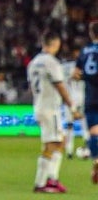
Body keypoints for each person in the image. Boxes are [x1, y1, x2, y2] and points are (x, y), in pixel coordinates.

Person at [27, 30, 79, 193]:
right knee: (52, 144)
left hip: (39, 105)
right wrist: (72, 106)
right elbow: (60, 85)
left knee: (59, 141)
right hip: (50, 108)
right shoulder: (51, 62)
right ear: (55, 44)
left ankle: (51, 179)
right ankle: (42, 182)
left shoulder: (33, 62)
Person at [74, 20, 98, 183]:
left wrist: (87, 78)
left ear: (91, 33)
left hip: (90, 97)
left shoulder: (85, 51)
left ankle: (96, 160)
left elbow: (75, 74)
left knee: (93, 132)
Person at [62, 48, 89, 158]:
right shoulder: (68, 67)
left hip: (82, 99)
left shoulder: (85, 65)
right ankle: (69, 151)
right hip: (71, 100)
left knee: (84, 123)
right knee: (70, 125)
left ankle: (87, 146)